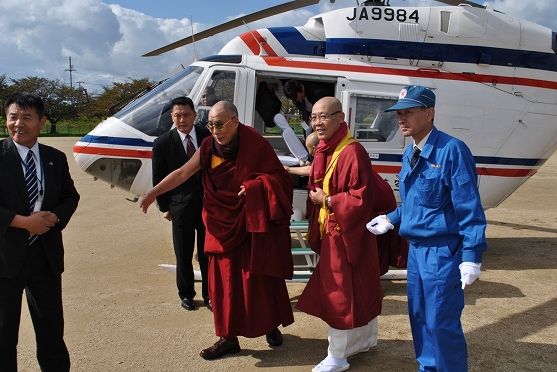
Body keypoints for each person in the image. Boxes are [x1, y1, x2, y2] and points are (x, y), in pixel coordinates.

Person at [140, 101, 295, 360]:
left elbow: (279, 177)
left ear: (235, 121)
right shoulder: (208, 146)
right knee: (223, 284)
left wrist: (257, 186)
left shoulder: (254, 143)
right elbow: (181, 173)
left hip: (249, 224)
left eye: (220, 124)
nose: (215, 130)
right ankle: (227, 338)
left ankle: (269, 325)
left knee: (258, 277)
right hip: (220, 223)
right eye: (211, 124)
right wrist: (154, 192)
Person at [366, 85, 488, 372]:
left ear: (430, 113)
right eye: (399, 113)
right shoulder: (411, 152)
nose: (401, 119)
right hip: (417, 252)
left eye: (409, 112)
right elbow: (417, 201)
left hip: (442, 251)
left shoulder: (452, 151)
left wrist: (471, 254)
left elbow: (469, 207)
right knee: (420, 316)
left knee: (441, 321)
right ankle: (428, 368)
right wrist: (391, 218)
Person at [296, 97, 383, 372]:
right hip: (334, 230)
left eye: (323, 117)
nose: (318, 123)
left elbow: (361, 199)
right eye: (314, 118)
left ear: (340, 117)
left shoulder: (351, 151)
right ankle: (364, 341)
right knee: (356, 289)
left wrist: (329, 201)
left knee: (340, 294)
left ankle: (338, 355)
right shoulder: (325, 148)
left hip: (346, 233)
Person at [0, 92, 80, 371]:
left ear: (42, 122)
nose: (18, 123)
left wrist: (55, 217)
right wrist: (23, 222)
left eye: (26, 117)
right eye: (13, 117)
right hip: (6, 259)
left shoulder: (54, 158)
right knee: (3, 334)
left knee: (51, 332)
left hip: (45, 257)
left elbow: (71, 196)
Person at [151, 96, 211, 311]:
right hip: (180, 206)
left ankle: (209, 294)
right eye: (177, 115)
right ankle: (186, 294)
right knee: (183, 254)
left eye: (186, 114)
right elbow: (158, 177)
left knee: (207, 253)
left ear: (195, 115)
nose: (182, 119)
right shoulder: (163, 142)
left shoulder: (208, 137)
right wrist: (164, 207)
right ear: (172, 117)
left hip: (207, 205)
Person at [255, 80, 312, 164]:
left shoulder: (314, 94)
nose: (298, 101)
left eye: (299, 98)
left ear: (302, 89)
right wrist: (276, 84)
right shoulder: (286, 132)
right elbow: (283, 82)